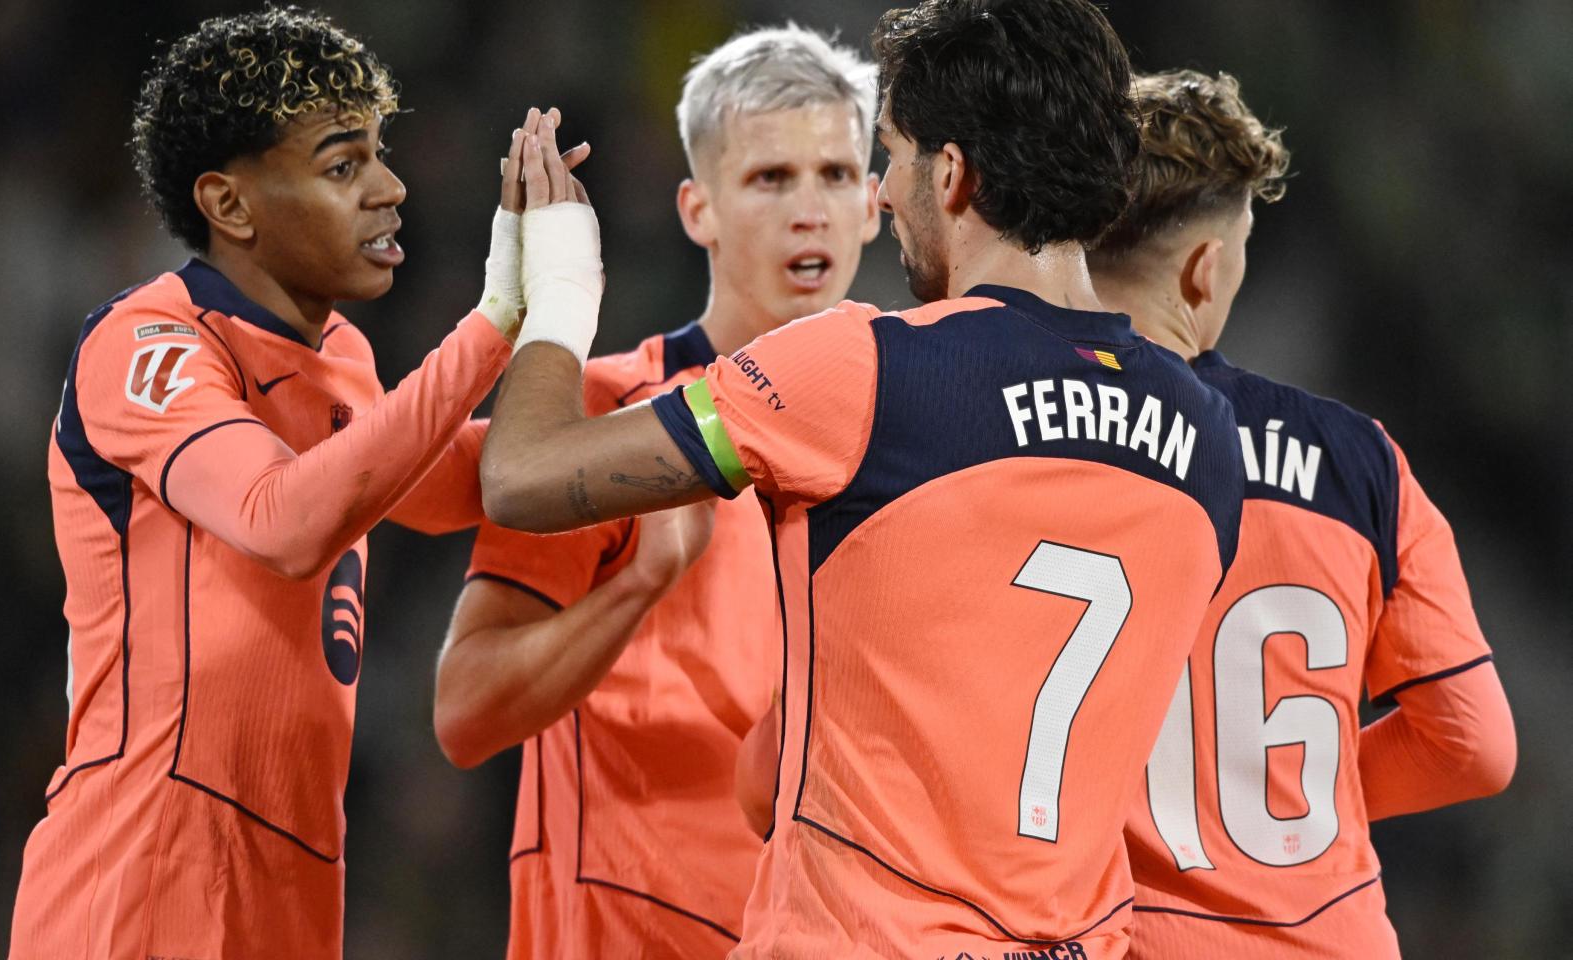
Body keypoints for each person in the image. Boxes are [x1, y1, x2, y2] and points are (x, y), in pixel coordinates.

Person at [478, 2, 1247, 956]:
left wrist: (555, 285)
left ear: (955, 176)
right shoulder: (1210, 440)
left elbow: (519, 476)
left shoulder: (860, 372)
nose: (881, 195)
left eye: (892, 157)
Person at [7, 8, 562, 957]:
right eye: (343, 166)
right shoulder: (150, 343)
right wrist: (497, 316)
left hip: (298, 870)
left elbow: (448, 479)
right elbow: (283, 520)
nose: (390, 188)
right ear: (230, 205)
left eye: (379, 157)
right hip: (146, 858)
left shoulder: (340, 354)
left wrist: (682, 426)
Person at [432, 26, 880, 957]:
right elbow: (466, 713)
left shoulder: (911, 432)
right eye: (770, 179)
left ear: (877, 204)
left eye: (837, 176)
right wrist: (637, 586)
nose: (811, 212)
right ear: (697, 208)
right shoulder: (596, 421)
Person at [1085, 68, 1516, 959]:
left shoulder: (1012, 436)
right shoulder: (1362, 459)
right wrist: (1291, 785)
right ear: (1209, 268)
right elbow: (1474, 745)